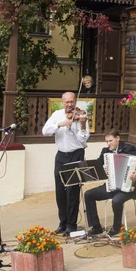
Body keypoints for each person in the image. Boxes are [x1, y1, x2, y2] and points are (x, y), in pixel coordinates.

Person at [84, 128, 136, 236]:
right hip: (111, 186)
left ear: (118, 138)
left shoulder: (129, 149)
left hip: (128, 188)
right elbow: (98, 168)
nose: (108, 144)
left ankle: (116, 227)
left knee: (116, 201)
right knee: (88, 195)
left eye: (110, 141)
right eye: (107, 141)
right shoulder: (105, 151)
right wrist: (103, 170)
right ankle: (96, 226)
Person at [42, 91, 89, 235]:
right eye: (67, 102)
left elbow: (83, 140)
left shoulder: (82, 116)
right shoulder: (57, 115)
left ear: (75, 102)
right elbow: (45, 131)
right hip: (61, 156)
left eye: (72, 102)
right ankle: (62, 222)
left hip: (76, 154)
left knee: (72, 192)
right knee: (60, 192)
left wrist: (80, 126)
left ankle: (71, 224)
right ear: (63, 102)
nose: (70, 105)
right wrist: (59, 125)